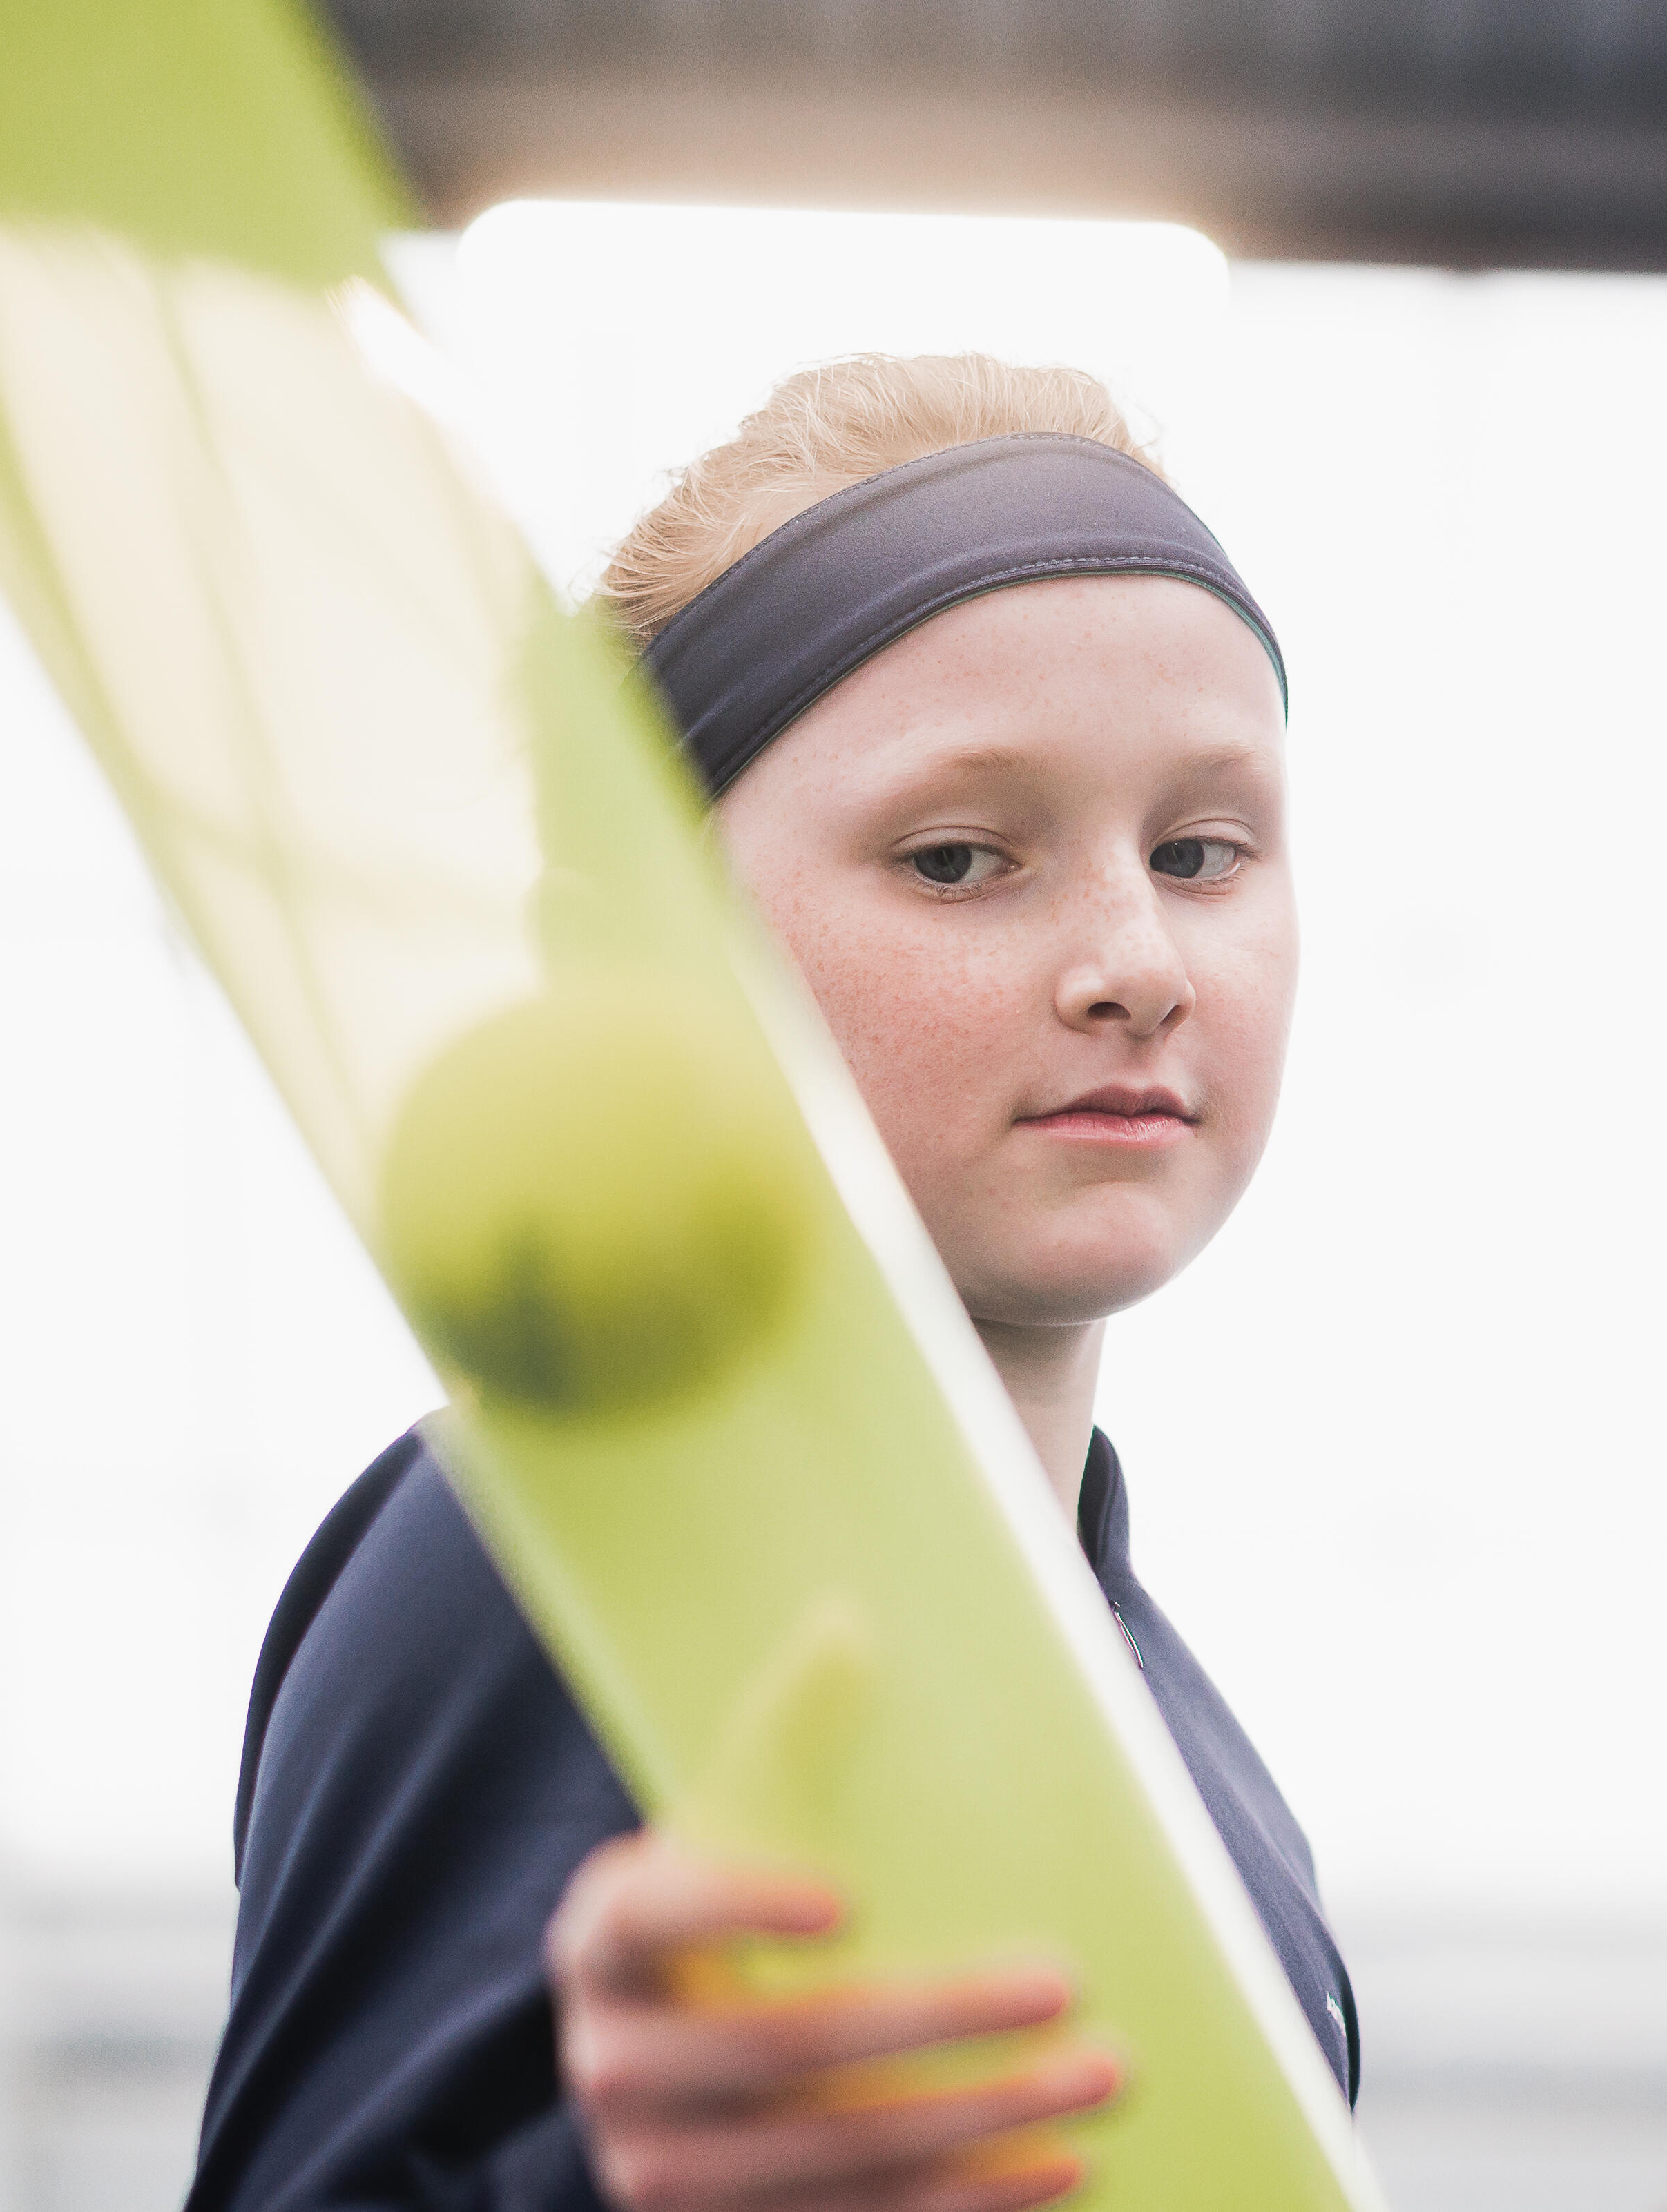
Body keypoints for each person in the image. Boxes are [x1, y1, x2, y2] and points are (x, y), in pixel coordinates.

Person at [188, 354, 1356, 2212]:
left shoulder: (1198, 1753)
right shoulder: (565, 1536)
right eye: (960, 857)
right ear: (636, 950)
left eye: (1200, 850)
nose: (1134, 958)